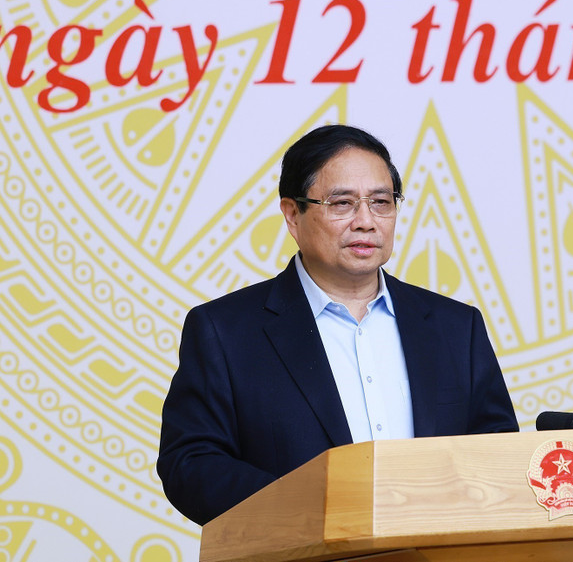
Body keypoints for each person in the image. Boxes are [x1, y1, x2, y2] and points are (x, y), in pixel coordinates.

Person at [156, 125, 518, 526]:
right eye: (342, 203)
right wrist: (313, 508)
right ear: (293, 215)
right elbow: (190, 464)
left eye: (381, 202)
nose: (366, 221)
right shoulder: (225, 331)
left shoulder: (455, 327)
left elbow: (497, 453)